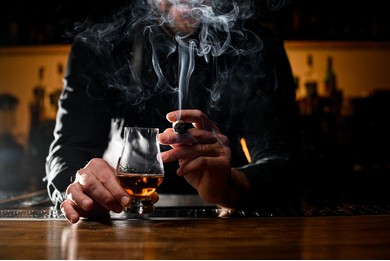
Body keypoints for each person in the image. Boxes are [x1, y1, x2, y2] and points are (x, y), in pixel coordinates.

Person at [46, 0, 301, 223]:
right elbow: (68, 150)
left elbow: (285, 162)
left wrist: (231, 185)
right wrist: (84, 186)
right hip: (124, 221)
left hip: (231, 222)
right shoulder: (97, 46)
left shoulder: (259, 47)